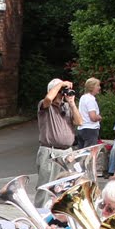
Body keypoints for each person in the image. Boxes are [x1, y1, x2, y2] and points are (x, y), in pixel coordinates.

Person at [35, 78, 79, 207]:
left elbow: (79, 122)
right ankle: (40, 214)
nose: (62, 94)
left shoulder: (66, 107)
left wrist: (72, 103)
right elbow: (48, 99)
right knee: (46, 187)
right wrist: (61, 84)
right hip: (50, 152)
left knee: (65, 187)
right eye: (60, 91)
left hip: (67, 152)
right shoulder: (44, 106)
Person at [75, 78, 102, 150]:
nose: (99, 88)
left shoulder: (83, 98)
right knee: (88, 155)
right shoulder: (90, 99)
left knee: (81, 153)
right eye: (98, 86)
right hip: (90, 129)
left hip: (81, 129)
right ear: (92, 87)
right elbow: (93, 117)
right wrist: (99, 117)